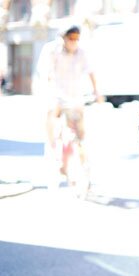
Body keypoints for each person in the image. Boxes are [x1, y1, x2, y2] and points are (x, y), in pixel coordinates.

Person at [38, 25, 102, 182]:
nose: (74, 42)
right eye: (71, 38)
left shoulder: (82, 52)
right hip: (56, 97)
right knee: (52, 124)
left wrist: (96, 92)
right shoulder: (52, 50)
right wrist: (50, 92)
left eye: (77, 38)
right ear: (63, 38)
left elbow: (90, 71)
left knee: (80, 135)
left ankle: (82, 167)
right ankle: (54, 152)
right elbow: (45, 73)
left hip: (75, 98)